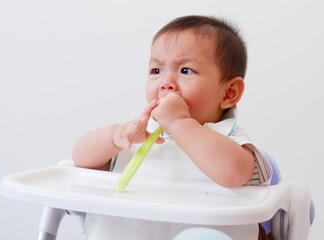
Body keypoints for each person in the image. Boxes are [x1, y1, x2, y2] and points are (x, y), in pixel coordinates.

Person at [73, 15, 272, 240]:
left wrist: (180, 124)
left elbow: (233, 174)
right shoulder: (138, 134)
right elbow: (80, 159)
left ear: (229, 93)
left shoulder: (230, 141)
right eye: (156, 71)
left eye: (185, 70)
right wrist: (114, 136)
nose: (165, 82)